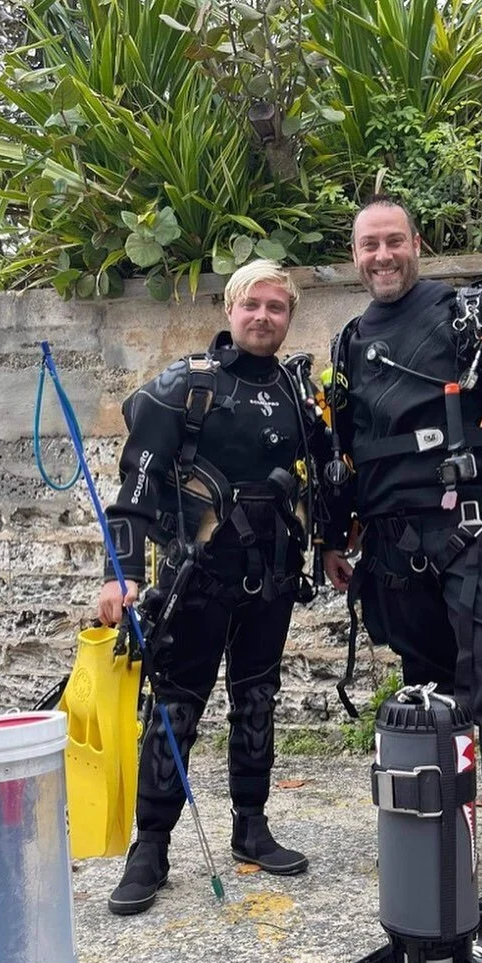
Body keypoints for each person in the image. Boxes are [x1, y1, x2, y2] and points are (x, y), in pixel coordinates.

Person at [322, 197, 482, 946]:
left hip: (478, 534)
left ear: (416, 243)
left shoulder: (474, 315)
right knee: (428, 702)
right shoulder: (348, 341)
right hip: (394, 553)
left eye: (392, 241)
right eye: (367, 245)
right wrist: (338, 536)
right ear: (354, 254)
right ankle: (445, 844)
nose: (381, 256)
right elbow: (349, 450)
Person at [99, 259, 335, 915]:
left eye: (276, 307)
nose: (263, 316)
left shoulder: (297, 393)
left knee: (256, 697)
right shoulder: (186, 387)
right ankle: (150, 848)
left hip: (273, 575)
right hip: (195, 576)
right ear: (229, 309)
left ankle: (251, 827)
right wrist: (121, 574)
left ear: (288, 317)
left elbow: (327, 477)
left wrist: (336, 545)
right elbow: (135, 491)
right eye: (251, 304)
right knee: (175, 707)